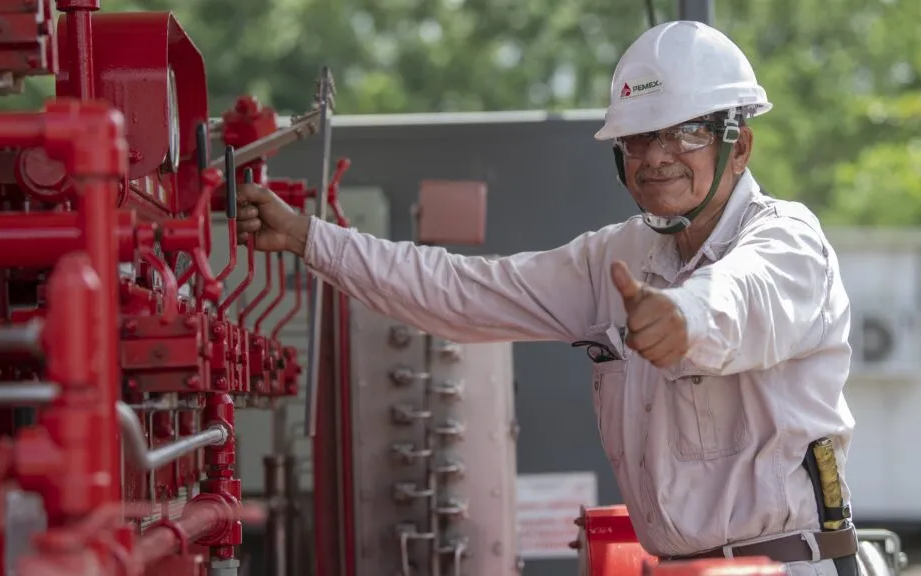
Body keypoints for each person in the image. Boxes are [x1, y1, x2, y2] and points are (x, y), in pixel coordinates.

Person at [234, 20, 862, 576]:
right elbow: (465, 292)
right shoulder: (616, 257)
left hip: (782, 568)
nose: (656, 157)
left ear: (739, 146)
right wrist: (308, 238)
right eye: (639, 138)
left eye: (686, 134)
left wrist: (681, 316)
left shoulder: (788, 240)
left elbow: (741, 296)